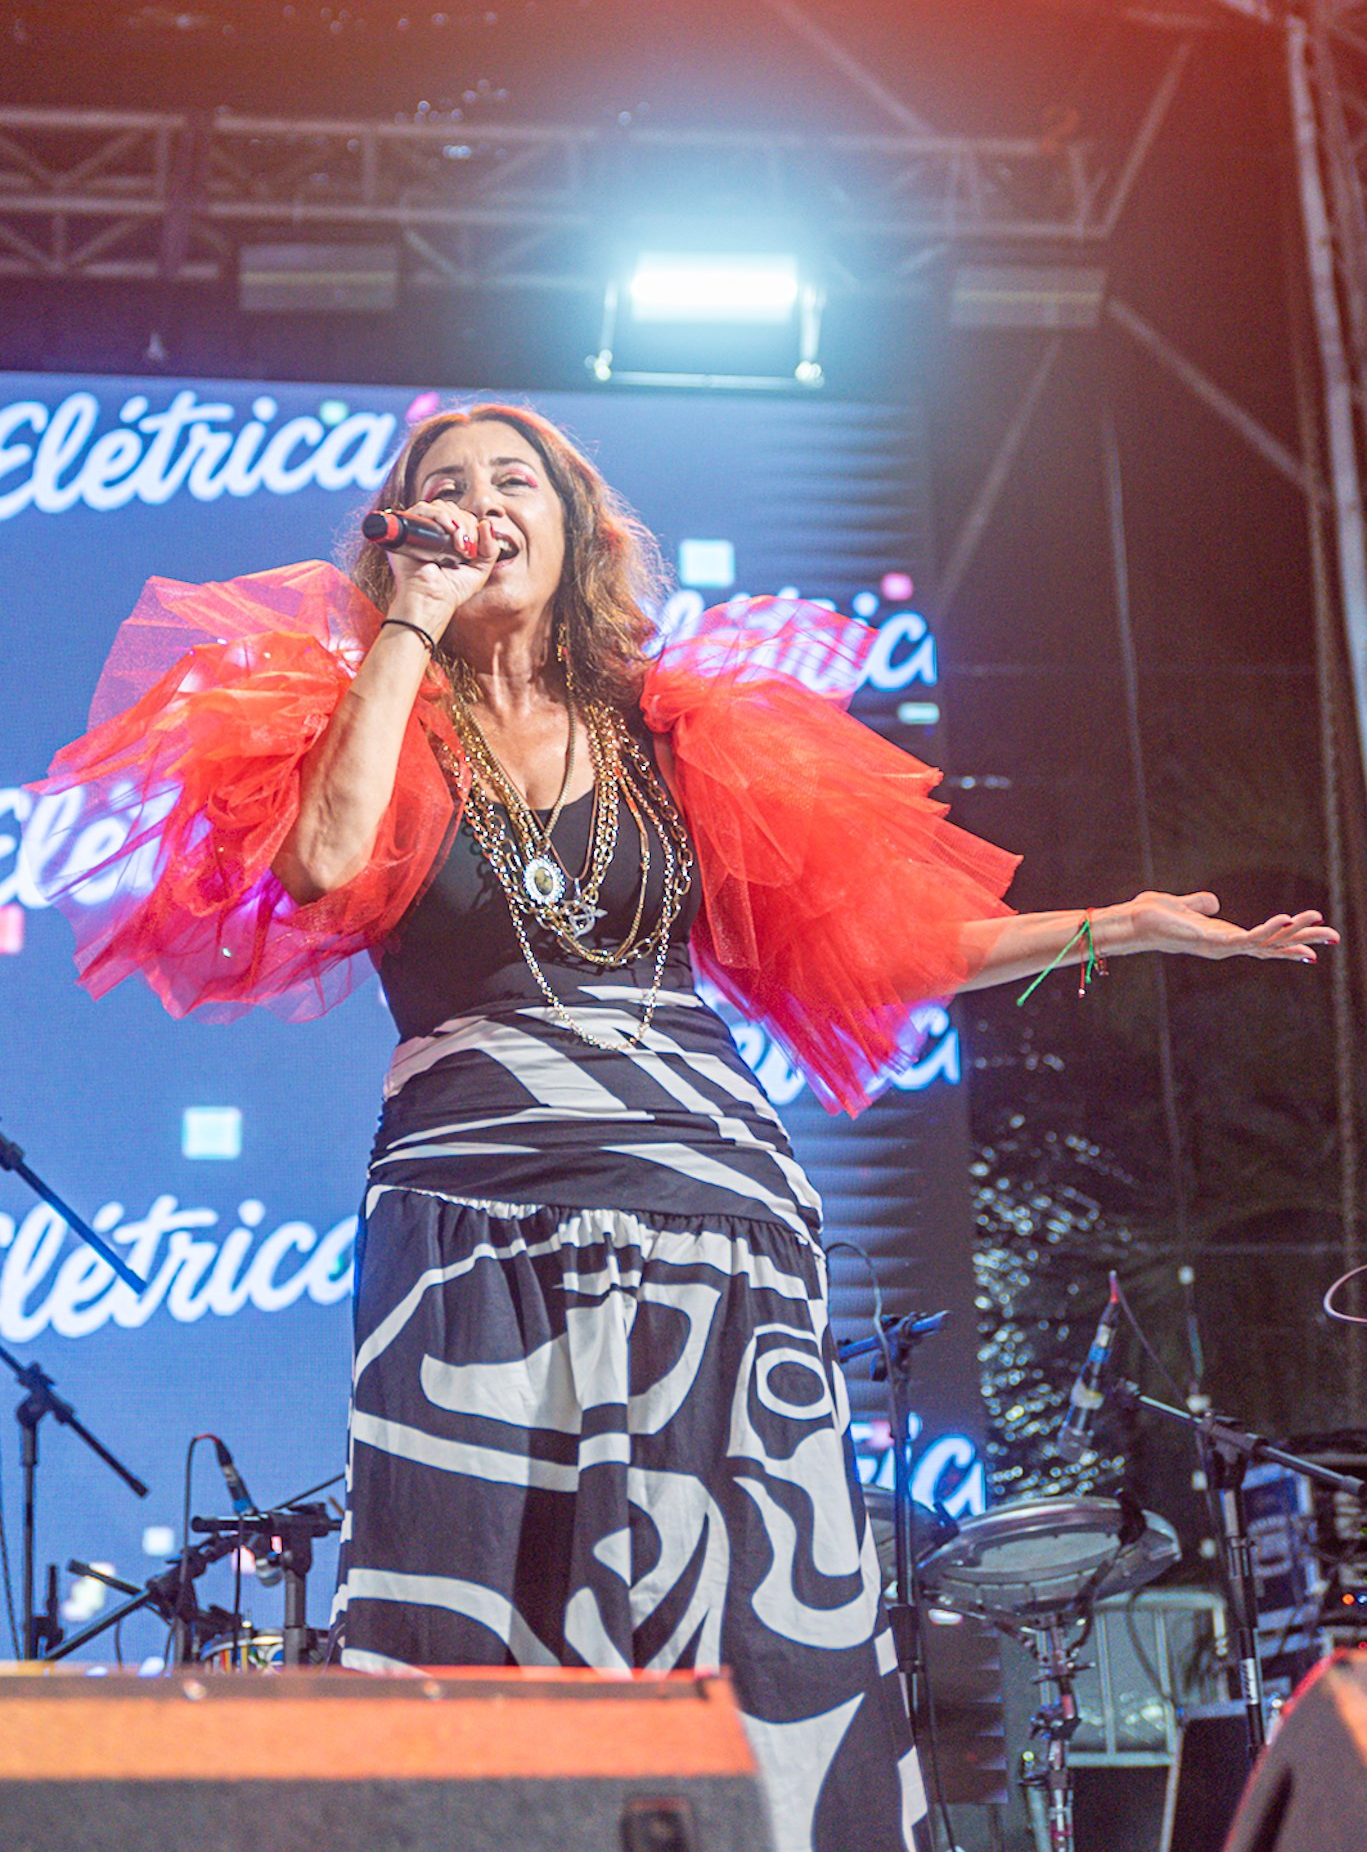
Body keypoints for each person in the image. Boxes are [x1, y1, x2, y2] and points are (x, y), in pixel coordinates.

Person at [38, 403, 1337, 1852]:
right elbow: (326, 863)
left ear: (573, 527)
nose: (479, 504)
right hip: (474, 1221)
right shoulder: (374, 715)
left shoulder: (674, 735)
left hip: (713, 1218)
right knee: (484, 1602)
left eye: (512, 480)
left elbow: (881, 946)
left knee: (748, 1615)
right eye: (443, 487)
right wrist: (408, 622)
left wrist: (1122, 925)